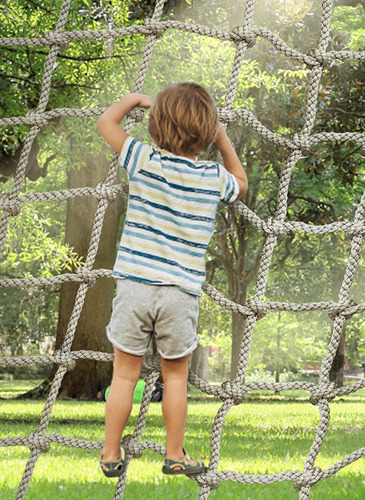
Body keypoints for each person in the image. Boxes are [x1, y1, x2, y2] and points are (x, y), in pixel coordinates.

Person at [96, 82, 248, 478]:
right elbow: (241, 183)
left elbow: (106, 123)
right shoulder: (213, 177)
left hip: (135, 286)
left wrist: (135, 99)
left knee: (125, 375)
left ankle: (111, 453)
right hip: (180, 293)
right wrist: (222, 135)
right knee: (175, 377)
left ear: (156, 124)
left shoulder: (143, 159)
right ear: (206, 133)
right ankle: (175, 454)